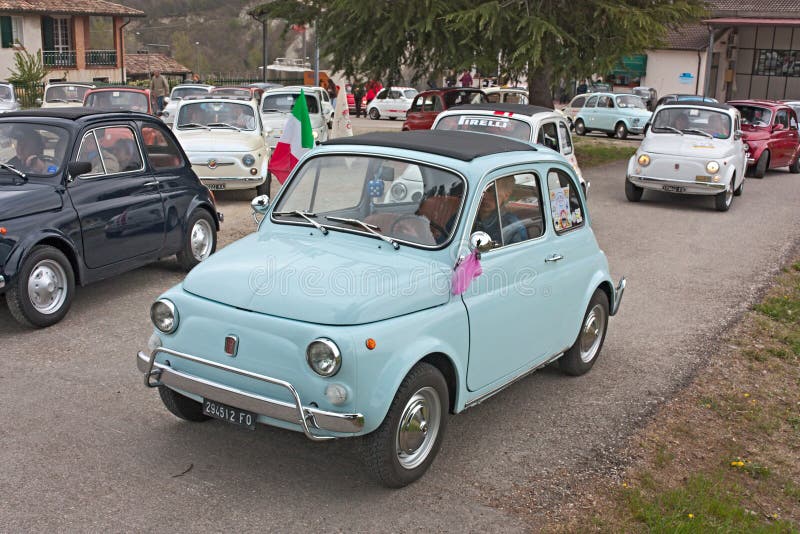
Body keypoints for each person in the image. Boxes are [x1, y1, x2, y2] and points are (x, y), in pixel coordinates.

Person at [472, 176, 526, 245]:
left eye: (490, 191)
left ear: (506, 195)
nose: (483, 196)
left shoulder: (513, 227)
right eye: (481, 190)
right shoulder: (466, 214)